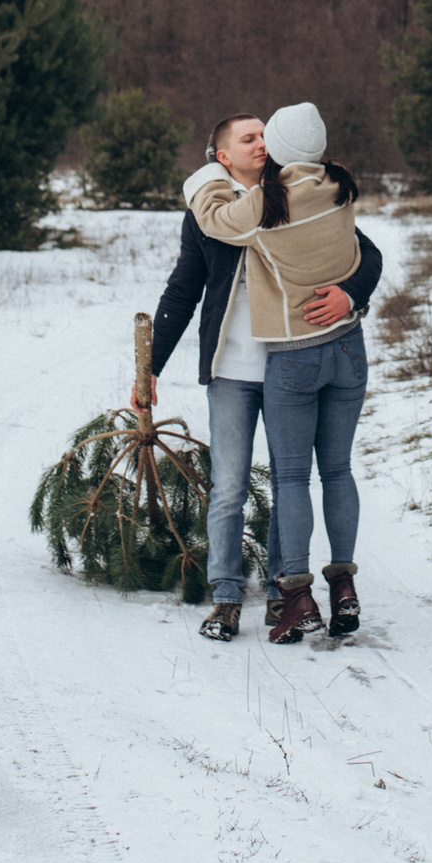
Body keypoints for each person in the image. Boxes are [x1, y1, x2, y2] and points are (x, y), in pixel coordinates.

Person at [142, 109, 384, 644]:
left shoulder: (295, 195)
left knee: (286, 480)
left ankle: (283, 591)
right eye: (246, 139)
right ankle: (226, 597)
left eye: (263, 137)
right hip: (232, 370)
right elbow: (183, 290)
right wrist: (150, 365)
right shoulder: (211, 212)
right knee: (228, 487)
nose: (259, 145)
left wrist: (351, 293)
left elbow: (364, 251)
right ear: (222, 156)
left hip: (288, 364)